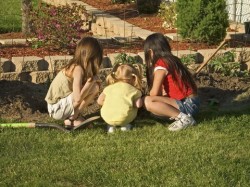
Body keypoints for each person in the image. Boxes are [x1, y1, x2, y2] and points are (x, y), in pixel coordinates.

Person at [143, 33, 200, 131]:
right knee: (156, 104)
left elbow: (154, 93)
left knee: (147, 101)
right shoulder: (173, 60)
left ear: (151, 52)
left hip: (186, 105)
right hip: (193, 103)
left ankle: (183, 118)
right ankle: (181, 116)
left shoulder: (161, 64)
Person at [45, 36, 103, 128]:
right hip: (56, 109)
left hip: (62, 105)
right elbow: (77, 98)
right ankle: (72, 119)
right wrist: (90, 82)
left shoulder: (78, 67)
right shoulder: (77, 69)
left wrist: (91, 84)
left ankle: (74, 117)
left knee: (95, 87)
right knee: (93, 86)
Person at [97, 63, 143, 133]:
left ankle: (110, 126)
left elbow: (99, 101)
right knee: (128, 112)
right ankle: (125, 125)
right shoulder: (134, 90)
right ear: (133, 78)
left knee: (110, 116)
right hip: (125, 117)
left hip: (107, 117)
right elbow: (138, 105)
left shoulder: (108, 88)